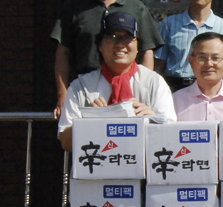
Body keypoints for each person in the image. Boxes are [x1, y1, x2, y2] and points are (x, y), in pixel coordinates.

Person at [52, 0, 161, 119]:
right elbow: (63, 52)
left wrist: (145, 93)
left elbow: (146, 51)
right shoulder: (74, 7)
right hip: (86, 90)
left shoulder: (137, 8)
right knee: (88, 143)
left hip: (129, 91)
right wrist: (63, 95)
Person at [58, 12, 176, 152]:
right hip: (97, 169)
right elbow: (65, 143)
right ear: (100, 45)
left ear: (138, 46)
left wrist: (152, 120)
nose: (120, 44)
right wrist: (88, 123)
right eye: (113, 37)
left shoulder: (154, 82)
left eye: (128, 38)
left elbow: (171, 139)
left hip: (142, 171)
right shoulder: (81, 86)